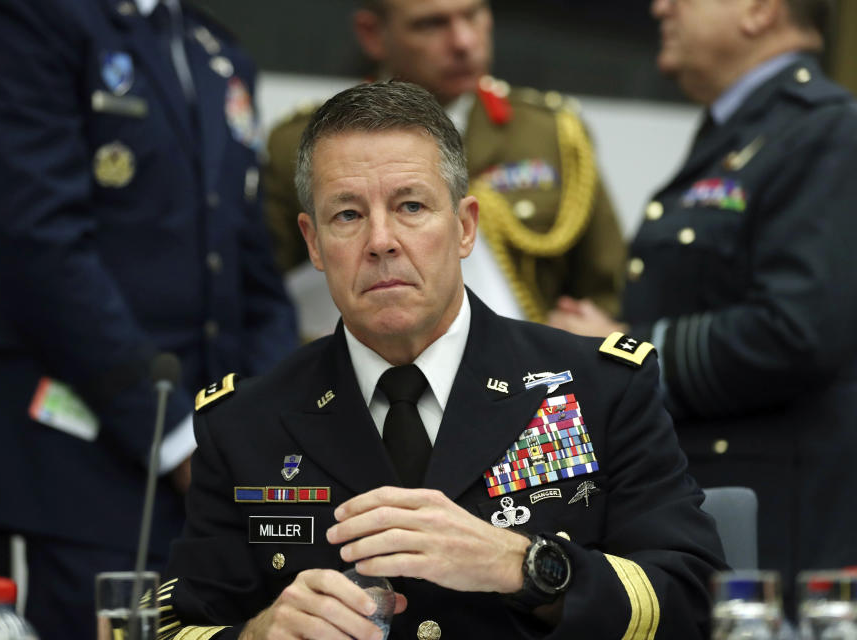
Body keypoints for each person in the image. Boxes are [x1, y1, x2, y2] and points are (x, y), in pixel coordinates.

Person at [158, 81, 726, 640]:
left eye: (411, 206)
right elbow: (171, 625)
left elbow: (696, 601)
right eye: (348, 215)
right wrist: (257, 634)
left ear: (464, 226)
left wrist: (525, 566)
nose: (381, 240)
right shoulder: (245, 424)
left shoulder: (599, 389)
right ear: (312, 243)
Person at [0, 0, 297, 637]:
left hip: (217, 474)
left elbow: (255, 275)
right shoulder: (31, 20)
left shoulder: (213, 48)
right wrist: (175, 437)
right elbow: (40, 248)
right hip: (91, 461)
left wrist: (264, 427)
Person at [547, 0, 857, 607]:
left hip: (779, 520)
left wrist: (625, 349)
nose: (660, 6)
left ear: (759, 10)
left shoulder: (825, 129)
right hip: (716, 498)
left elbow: (800, 329)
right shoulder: (744, 131)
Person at [263, 0, 625, 332]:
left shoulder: (550, 136)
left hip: (526, 379)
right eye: (431, 25)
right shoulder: (304, 146)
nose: (464, 41)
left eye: (473, 15)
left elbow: (606, 291)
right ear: (372, 35)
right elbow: (262, 295)